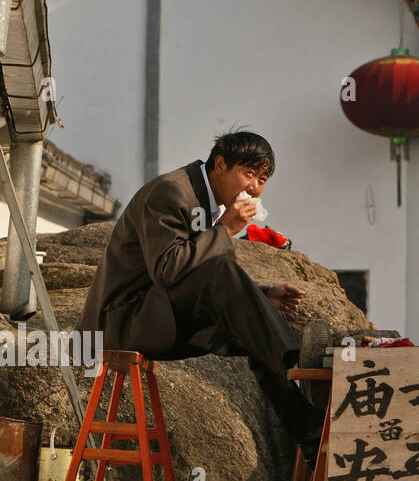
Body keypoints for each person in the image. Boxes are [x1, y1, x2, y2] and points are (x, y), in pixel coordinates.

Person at [76, 131, 326, 456]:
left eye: (262, 179)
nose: (255, 187)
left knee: (254, 334)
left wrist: (261, 297)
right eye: (248, 173)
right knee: (223, 276)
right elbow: (169, 270)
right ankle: (297, 359)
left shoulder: (212, 204)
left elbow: (203, 279)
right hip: (123, 322)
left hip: (161, 315)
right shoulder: (171, 192)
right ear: (220, 164)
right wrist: (226, 230)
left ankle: (310, 433)